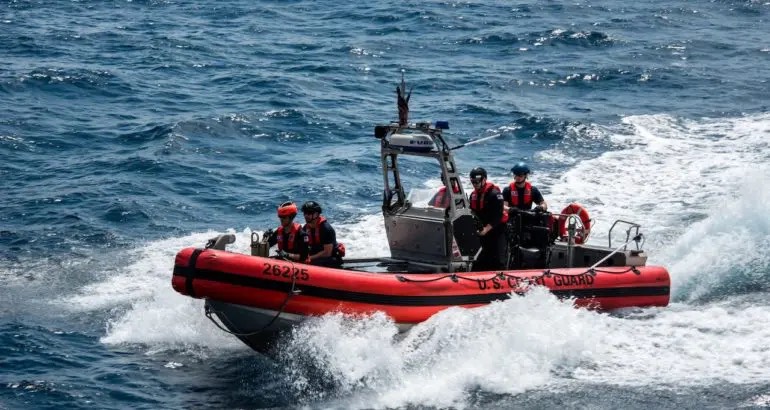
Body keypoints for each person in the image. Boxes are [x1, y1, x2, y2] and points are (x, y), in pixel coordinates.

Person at [468, 167, 508, 271]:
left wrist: (486, 229)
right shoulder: (473, 195)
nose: (475, 184)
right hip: (482, 231)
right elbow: (471, 212)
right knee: (478, 260)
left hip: (496, 229)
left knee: (498, 261)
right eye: (473, 182)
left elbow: (498, 216)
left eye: (477, 181)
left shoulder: (495, 195)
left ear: (484, 180)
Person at [301, 201, 345, 267]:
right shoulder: (305, 228)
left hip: (330, 259)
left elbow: (327, 253)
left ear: (316, 214)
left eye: (309, 213)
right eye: (305, 213)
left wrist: (310, 258)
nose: (306, 215)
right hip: (316, 257)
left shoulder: (326, 229)